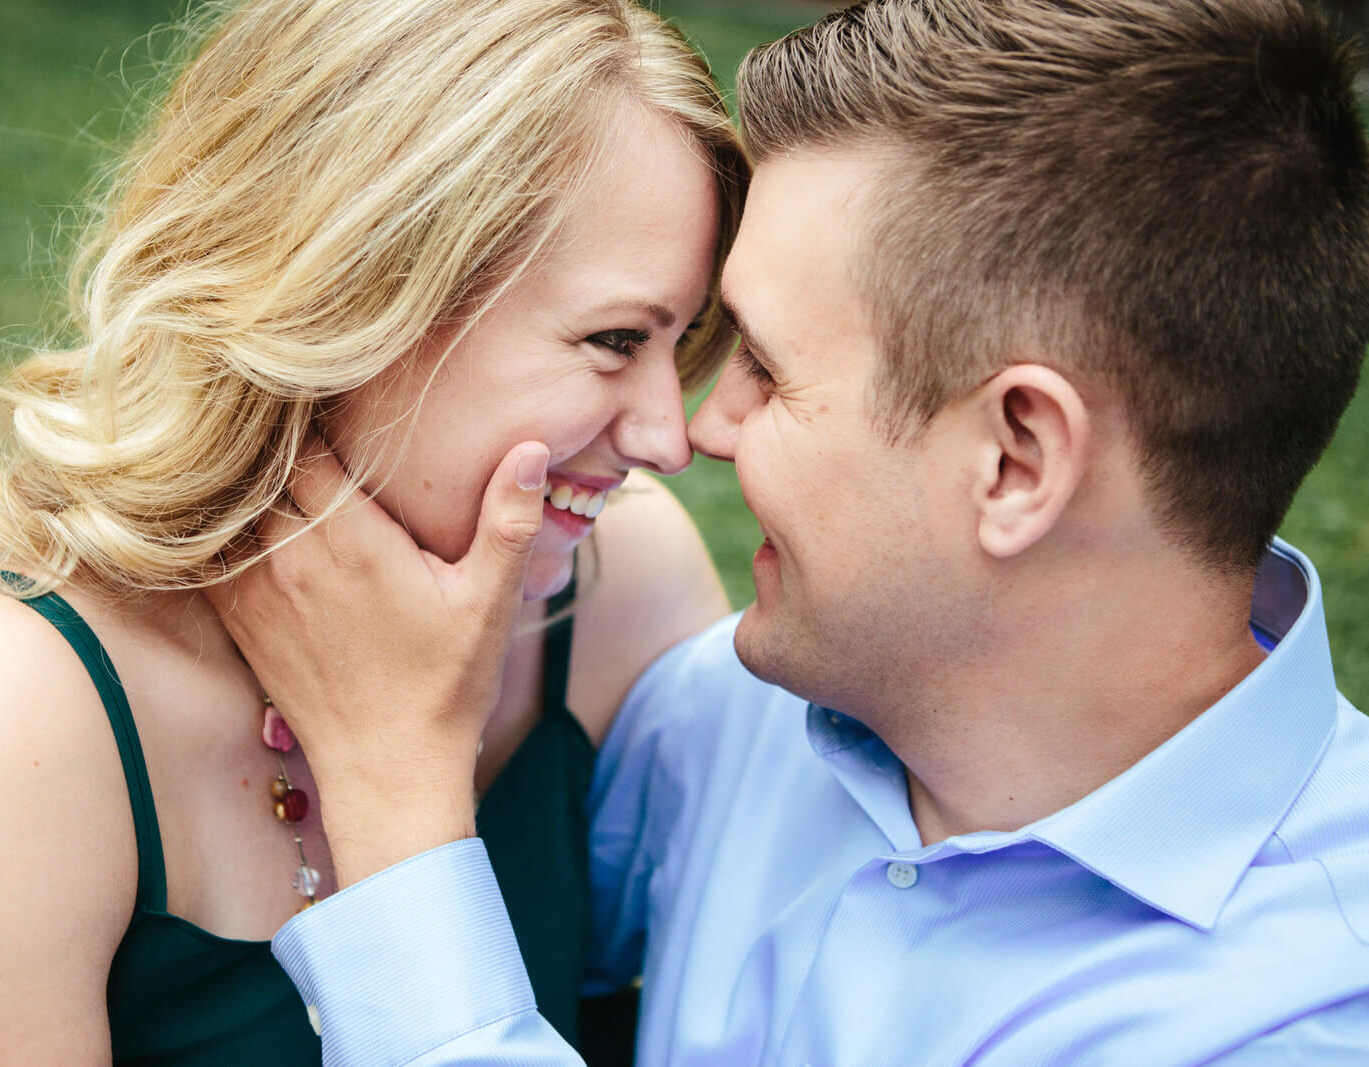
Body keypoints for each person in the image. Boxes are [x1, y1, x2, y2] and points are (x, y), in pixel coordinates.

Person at [210, 0, 1369, 1062]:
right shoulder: (735, 720)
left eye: (764, 367)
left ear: (1016, 459)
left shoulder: (1298, 1013)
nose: (697, 430)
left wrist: (396, 797)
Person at [0, 0, 749, 1062]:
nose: (670, 434)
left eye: (681, 338)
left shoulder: (620, 588)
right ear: (352, 294)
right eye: (614, 339)